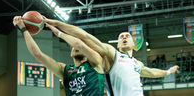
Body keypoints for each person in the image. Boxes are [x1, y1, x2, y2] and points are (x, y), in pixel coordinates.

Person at [43, 17, 179, 96]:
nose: (124, 37)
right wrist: (56, 24)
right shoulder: (112, 54)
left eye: (127, 36)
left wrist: (168, 72)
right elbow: (84, 36)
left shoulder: (137, 63)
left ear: (134, 43)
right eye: (121, 37)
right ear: (118, 44)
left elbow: (151, 72)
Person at [13, 16, 104, 96]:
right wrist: (23, 30)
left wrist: (58, 33)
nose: (77, 47)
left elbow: (79, 44)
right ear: (71, 54)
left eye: (82, 47)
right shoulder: (65, 70)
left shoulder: (95, 61)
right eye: (73, 47)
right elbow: (37, 54)